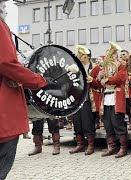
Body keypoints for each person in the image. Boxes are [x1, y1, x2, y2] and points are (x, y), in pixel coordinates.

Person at [0, 1, 50, 178]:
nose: (5, 10)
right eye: (3, 6)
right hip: (4, 111)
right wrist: (39, 80)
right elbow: (6, 63)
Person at [69, 45, 102, 156]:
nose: (79, 56)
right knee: (77, 122)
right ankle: (80, 144)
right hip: (77, 98)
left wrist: (92, 80)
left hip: (88, 98)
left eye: (81, 55)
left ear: (87, 56)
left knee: (88, 123)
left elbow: (99, 85)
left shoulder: (95, 68)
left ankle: (90, 145)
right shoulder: (76, 67)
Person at [98, 47, 128, 158]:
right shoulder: (105, 67)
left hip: (116, 97)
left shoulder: (121, 66)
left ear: (115, 55)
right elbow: (100, 81)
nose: (108, 57)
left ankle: (123, 148)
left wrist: (106, 80)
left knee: (118, 124)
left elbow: (120, 78)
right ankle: (111, 147)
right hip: (106, 98)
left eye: (110, 54)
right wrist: (100, 77)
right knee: (108, 124)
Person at [120, 50, 131, 130]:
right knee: (126, 108)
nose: (123, 56)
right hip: (123, 90)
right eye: (121, 55)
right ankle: (128, 122)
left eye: (124, 54)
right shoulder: (120, 64)